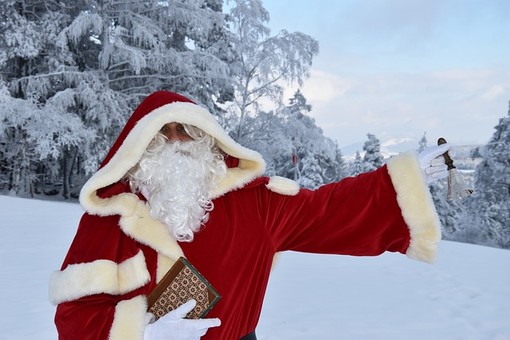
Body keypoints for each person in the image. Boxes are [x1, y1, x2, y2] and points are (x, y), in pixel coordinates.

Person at [49, 90, 451, 340]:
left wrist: (401, 177)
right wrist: (141, 334)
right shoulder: (110, 217)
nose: (175, 141)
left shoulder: (254, 202)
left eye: (186, 130)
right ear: (137, 145)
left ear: (209, 138)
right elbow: (74, 316)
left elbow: (331, 210)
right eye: (161, 133)